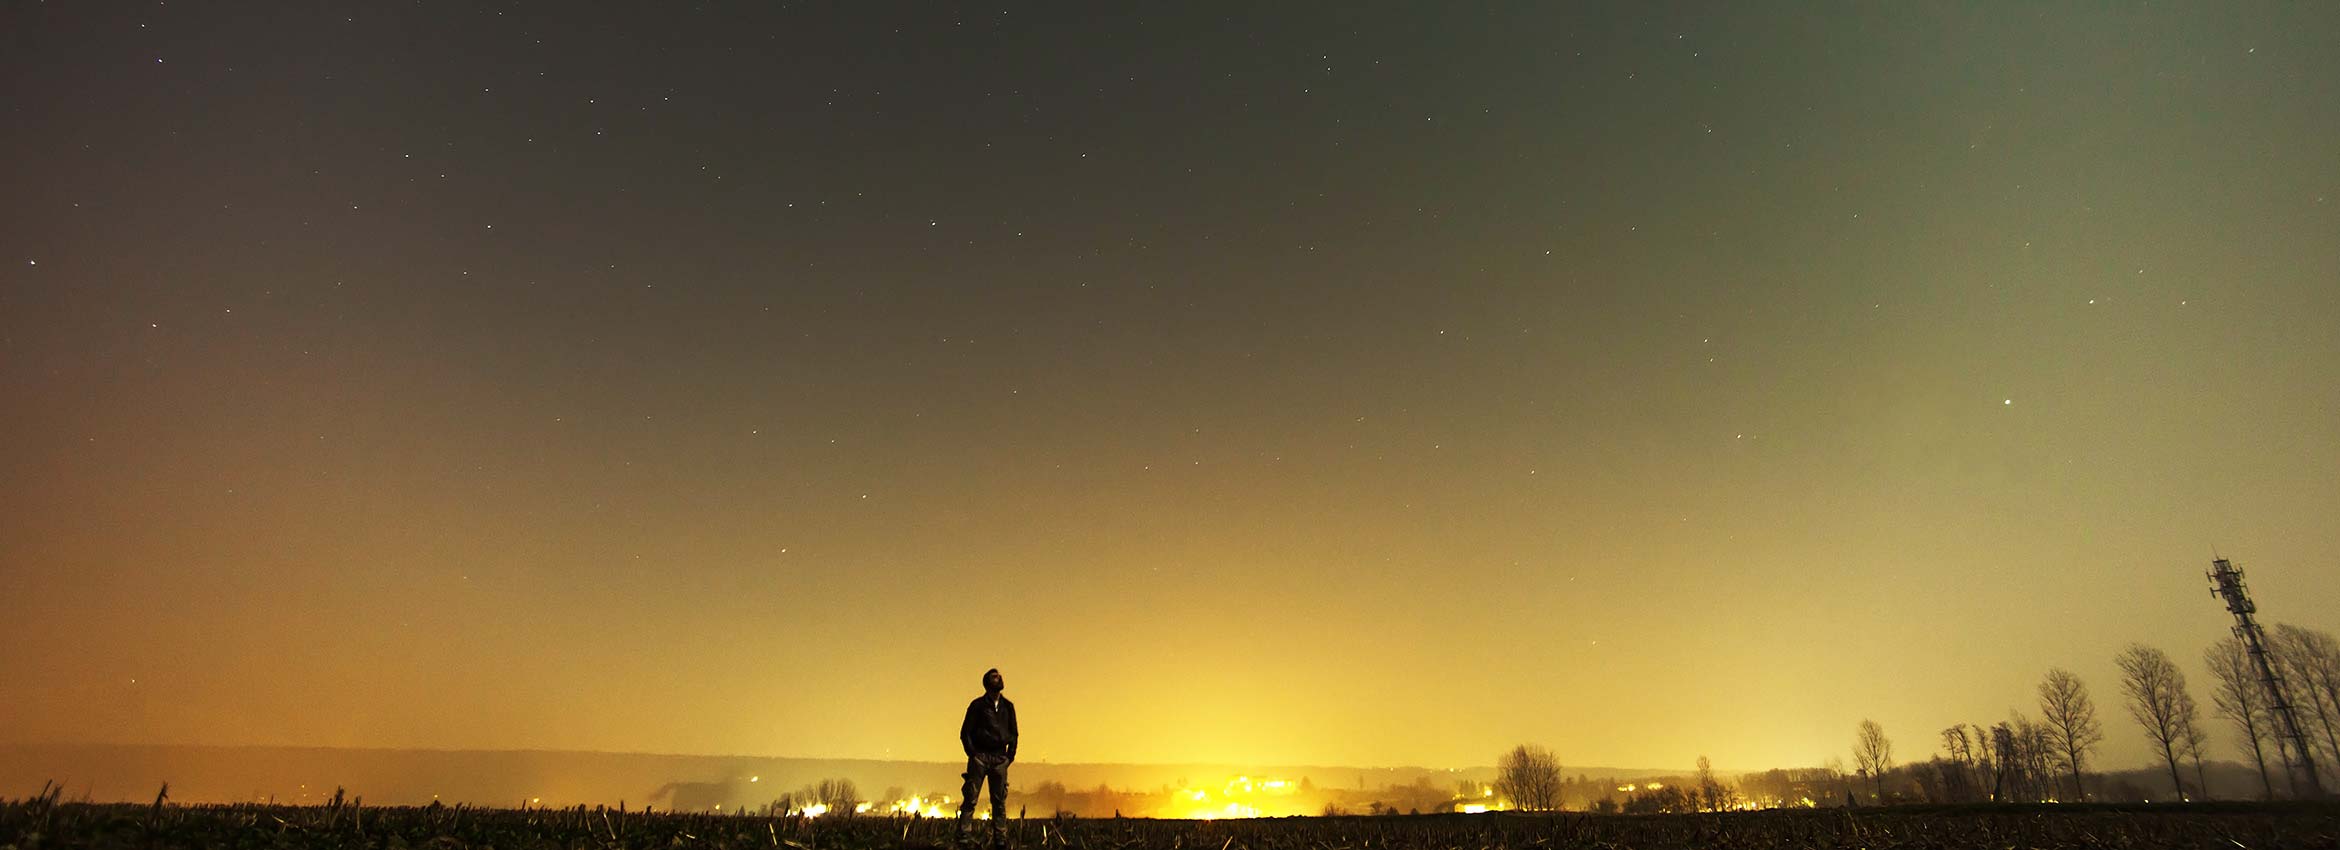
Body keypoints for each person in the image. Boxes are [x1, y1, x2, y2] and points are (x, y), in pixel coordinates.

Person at [957, 668, 1017, 844]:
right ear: (987, 682)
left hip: (1000, 758)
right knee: (971, 798)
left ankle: (1000, 838)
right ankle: (964, 835)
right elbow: (965, 732)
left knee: (999, 802)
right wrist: (973, 754)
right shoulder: (977, 706)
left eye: (999, 676)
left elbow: (1014, 734)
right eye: (994, 677)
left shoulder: (1008, 707)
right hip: (980, 757)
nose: (999, 679)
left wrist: (1009, 757)